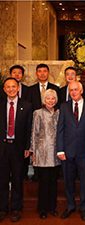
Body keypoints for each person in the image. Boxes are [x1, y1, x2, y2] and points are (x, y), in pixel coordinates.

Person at [56, 81, 85, 221]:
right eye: (71, 90)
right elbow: (60, 129)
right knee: (68, 181)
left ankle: (84, 208)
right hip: (67, 151)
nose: (73, 92)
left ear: (81, 91)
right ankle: (70, 205)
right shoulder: (64, 106)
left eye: (76, 89)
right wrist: (60, 149)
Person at [0, 78, 32, 222]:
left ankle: (16, 208)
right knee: (2, 179)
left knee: (18, 179)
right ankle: (2, 208)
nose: (11, 89)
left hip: (18, 148)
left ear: (18, 88)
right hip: (2, 147)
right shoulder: (0, 104)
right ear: (4, 89)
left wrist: (27, 147)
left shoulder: (27, 105)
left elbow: (28, 128)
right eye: (8, 87)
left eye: (14, 86)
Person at [30, 89, 60, 219]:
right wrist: (33, 150)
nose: (51, 100)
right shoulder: (38, 113)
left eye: (53, 98)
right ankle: (42, 209)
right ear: (44, 99)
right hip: (42, 152)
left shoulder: (59, 113)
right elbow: (34, 133)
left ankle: (52, 207)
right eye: (48, 98)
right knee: (43, 182)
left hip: (56, 152)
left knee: (53, 182)